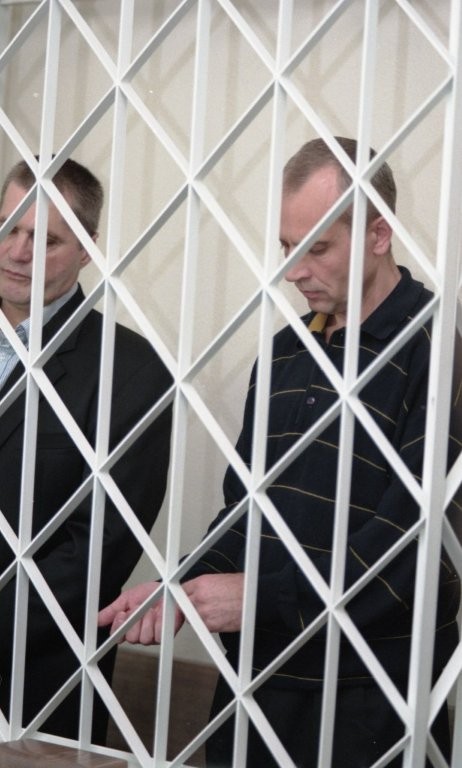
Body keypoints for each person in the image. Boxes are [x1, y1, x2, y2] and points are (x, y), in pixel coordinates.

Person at [98, 138, 461, 767]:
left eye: (317, 248)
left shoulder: (437, 351)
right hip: (255, 685)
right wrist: (182, 585)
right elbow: (245, 515)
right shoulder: (285, 354)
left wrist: (260, 597)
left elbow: (414, 553)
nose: (294, 272)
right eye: (288, 248)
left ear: (379, 234)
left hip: (373, 700)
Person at [0, 157, 172, 741]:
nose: (18, 252)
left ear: (86, 250)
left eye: (45, 239)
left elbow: (98, 546)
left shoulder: (132, 371)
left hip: (37, 687)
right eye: (10, 229)